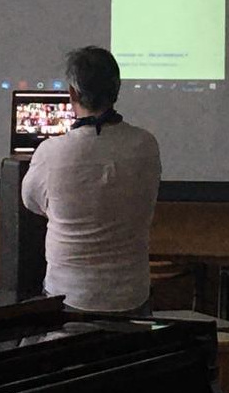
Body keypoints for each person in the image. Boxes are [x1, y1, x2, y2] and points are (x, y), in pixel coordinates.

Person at [21, 47, 161, 314]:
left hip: (68, 297)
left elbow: (31, 202)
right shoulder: (146, 145)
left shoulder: (51, 152)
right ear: (116, 90)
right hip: (131, 297)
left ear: (72, 93)